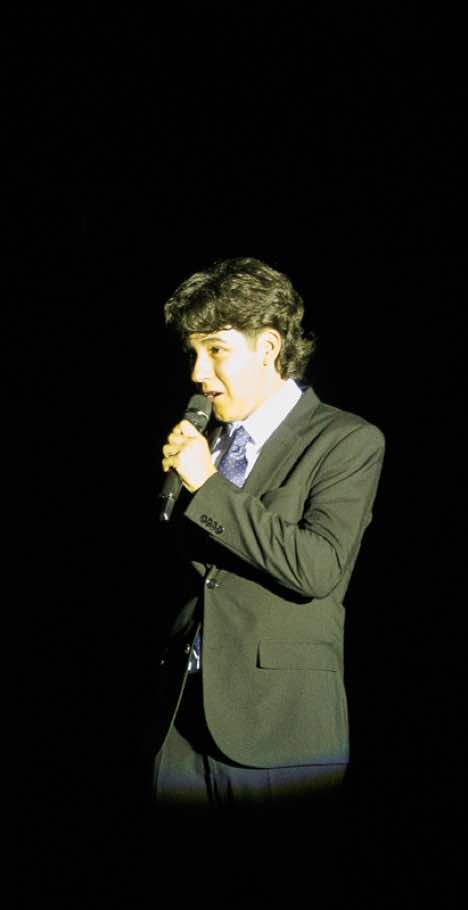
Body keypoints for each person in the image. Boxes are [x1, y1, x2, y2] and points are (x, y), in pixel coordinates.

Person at [155, 256, 384, 810]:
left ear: (268, 348)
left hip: (279, 731)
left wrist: (208, 487)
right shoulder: (207, 442)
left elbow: (317, 566)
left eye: (216, 350)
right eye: (193, 353)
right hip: (183, 722)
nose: (198, 373)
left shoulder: (344, 441)